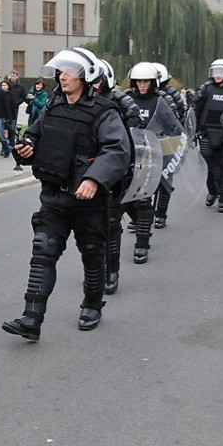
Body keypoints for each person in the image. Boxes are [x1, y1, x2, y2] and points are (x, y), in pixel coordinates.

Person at [2, 47, 130, 337]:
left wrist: (94, 179)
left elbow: (117, 151)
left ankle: (93, 304)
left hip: (88, 201)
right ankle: (31, 318)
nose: (62, 76)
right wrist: (25, 149)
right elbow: (34, 137)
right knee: (42, 251)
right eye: (60, 71)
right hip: (54, 197)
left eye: (69, 71)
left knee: (92, 254)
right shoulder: (52, 108)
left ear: (86, 77)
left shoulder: (104, 112)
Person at [94, 58, 141, 295]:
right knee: (91, 228)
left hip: (113, 170)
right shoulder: (77, 101)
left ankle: (111, 271)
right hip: (84, 172)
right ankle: (95, 272)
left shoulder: (119, 102)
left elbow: (134, 132)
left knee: (111, 224)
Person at [122, 61, 177, 264]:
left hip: (154, 156)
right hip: (130, 156)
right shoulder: (127, 99)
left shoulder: (163, 100)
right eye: (138, 81)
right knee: (127, 200)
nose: (142, 85)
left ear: (153, 82)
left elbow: (173, 127)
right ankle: (141, 223)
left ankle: (142, 245)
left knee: (144, 200)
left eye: (146, 81)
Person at [193, 58, 223, 213]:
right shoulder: (206, 90)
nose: (218, 75)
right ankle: (213, 190)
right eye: (216, 72)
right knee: (209, 167)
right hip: (207, 132)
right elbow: (196, 111)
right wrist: (194, 129)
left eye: (221, 72)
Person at [6, 70, 27, 143]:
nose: (13, 77)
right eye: (11, 76)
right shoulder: (6, 85)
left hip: (14, 108)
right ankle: (5, 144)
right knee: (5, 126)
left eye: (14, 76)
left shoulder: (21, 87)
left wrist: (16, 102)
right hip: (5, 107)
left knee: (12, 125)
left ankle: (11, 143)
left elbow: (23, 97)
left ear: (17, 77)